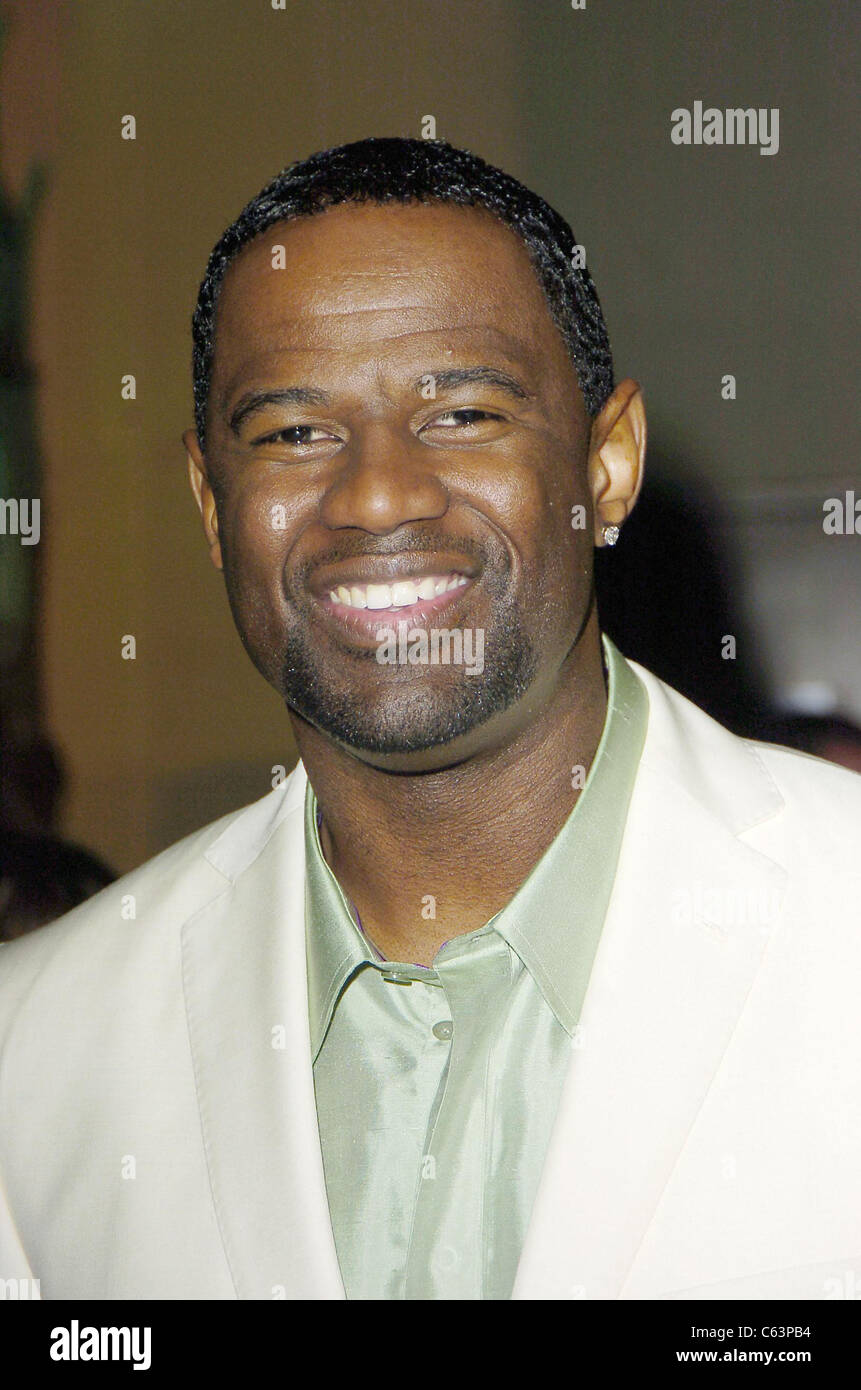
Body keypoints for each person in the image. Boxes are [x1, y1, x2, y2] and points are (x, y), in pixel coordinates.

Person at [1, 138, 859, 1302]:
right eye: (295, 433)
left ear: (607, 465)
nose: (377, 495)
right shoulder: (41, 1043)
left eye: (461, 411)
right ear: (213, 503)